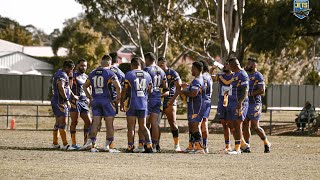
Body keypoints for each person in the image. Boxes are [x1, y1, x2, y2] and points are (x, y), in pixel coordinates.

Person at [82, 55, 121, 153]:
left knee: (95, 122)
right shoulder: (110, 73)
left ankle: (91, 143)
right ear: (109, 63)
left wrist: (90, 97)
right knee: (109, 124)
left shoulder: (92, 73)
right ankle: (108, 146)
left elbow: (84, 86)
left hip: (96, 100)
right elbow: (118, 87)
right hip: (107, 101)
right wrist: (117, 99)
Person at [120, 57, 154, 153]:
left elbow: (125, 90)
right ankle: (149, 145)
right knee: (143, 126)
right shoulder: (147, 75)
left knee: (131, 127)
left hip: (132, 103)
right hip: (143, 103)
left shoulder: (129, 74)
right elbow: (150, 90)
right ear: (140, 65)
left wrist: (122, 102)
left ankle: (130, 147)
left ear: (132, 65)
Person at [243, 57, 271, 153]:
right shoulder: (246, 75)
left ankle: (266, 142)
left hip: (255, 103)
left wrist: (250, 94)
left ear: (254, 65)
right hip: (246, 103)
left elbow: (262, 90)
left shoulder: (258, 75)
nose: (247, 65)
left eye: (249, 63)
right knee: (245, 124)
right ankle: (247, 146)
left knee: (255, 126)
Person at [141, 52, 167, 153]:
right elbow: (165, 86)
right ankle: (156, 145)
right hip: (158, 98)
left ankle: (146, 144)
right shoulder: (161, 71)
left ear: (147, 60)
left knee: (145, 123)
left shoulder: (147, 70)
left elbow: (145, 85)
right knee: (155, 123)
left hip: (149, 99)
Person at [157, 56, 182, 152]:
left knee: (173, 123)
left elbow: (179, 87)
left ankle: (177, 145)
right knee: (156, 124)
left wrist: (173, 99)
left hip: (170, 101)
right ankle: (156, 144)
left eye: (162, 64)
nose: (160, 66)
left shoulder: (172, 73)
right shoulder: (157, 73)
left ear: (165, 63)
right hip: (159, 100)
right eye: (159, 65)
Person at [226, 57, 249, 155]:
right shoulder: (235, 74)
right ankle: (243, 145)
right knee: (232, 124)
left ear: (233, 65)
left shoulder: (242, 74)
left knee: (238, 124)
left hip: (240, 103)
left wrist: (240, 102)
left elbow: (245, 90)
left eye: (229, 65)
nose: (229, 67)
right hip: (233, 103)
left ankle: (238, 149)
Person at [181, 61, 205, 154]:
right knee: (191, 125)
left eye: (192, 68)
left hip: (196, 106)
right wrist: (188, 86)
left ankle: (199, 147)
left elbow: (193, 93)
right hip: (193, 106)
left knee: (194, 126)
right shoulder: (197, 80)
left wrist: (183, 91)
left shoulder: (197, 80)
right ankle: (191, 146)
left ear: (197, 69)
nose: (191, 70)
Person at [51, 59, 75, 150]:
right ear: (67, 67)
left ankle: (55, 143)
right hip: (60, 101)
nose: (71, 71)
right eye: (71, 69)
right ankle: (65, 145)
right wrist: (66, 100)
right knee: (63, 122)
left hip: (56, 100)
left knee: (57, 122)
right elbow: (61, 87)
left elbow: (67, 87)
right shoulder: (62, 75)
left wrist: (72, 96)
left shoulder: (59, 72)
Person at [210, 62, 234, 153]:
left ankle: (239, 144)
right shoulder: (220, 75)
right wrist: (212, 69)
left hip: (231, 102)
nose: (225, 66)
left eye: (227, 64)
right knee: (224, 124)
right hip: (222, 102)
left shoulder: (235, 75)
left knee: (232, 124)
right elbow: (211, 78)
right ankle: (227, 145)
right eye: (225, 64)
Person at [69, 59, 92, 150]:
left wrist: (89, 98)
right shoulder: (73, 75)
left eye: (85, 66)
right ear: (77, 65)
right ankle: (73, 144)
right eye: (82, 65)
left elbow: (89, 87)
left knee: (89, 122)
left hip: (84, 102)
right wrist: (73, 96)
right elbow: (67, 87)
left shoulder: (86, 76)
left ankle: (86, 143)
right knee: (75, 122)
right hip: (75, 102)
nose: (83, 67)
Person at [199, 60, 213, 153]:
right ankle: (205, 145)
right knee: (204, 123)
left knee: (199, 124)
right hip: (208, 100)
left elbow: (200, 89)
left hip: (202, 101)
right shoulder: (209, 76)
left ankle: (200, 145)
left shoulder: (202, 77)